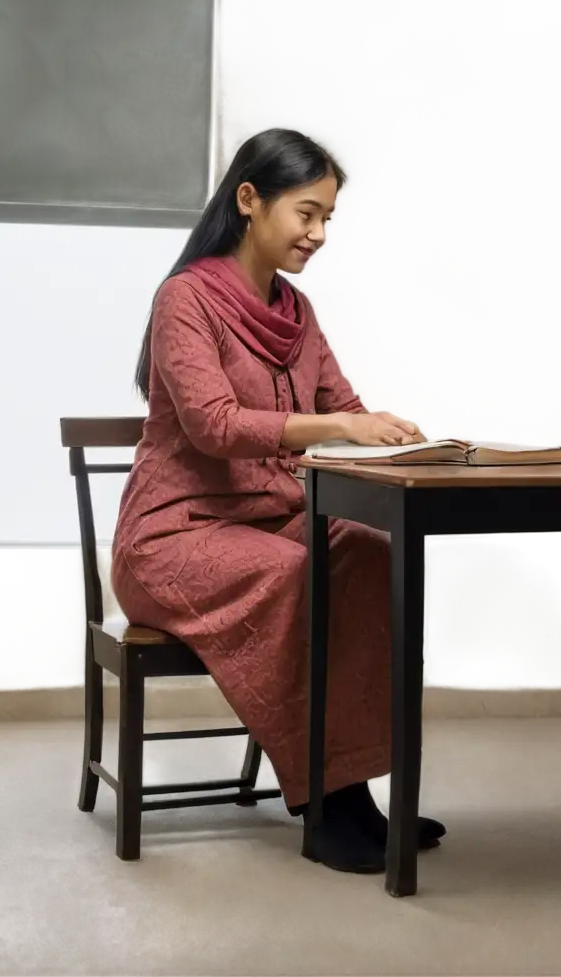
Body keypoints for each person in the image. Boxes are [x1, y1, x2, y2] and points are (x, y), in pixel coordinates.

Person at [111, 127, 445, 875]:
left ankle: (352, 795)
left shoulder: (296, 311)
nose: (319, 234)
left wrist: (411, 438)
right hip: (173, 539)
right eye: (307, 213)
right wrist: (339, 424)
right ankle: (323, 804)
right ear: (250, 201)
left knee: (366, 553)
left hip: (270, 523)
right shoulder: (184, 300)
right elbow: (214, 425)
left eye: (329, 217)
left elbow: (346, 407)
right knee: (294, 577)